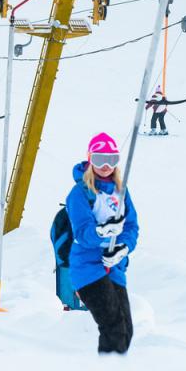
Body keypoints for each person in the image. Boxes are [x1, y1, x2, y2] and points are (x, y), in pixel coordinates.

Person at [65, 132, 139, 354]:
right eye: (99, 159)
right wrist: (103, 231)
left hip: (113, 266)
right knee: (113, 327)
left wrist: (122, 249)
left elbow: (131, 228)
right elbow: (82, 233)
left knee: (126, 330)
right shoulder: (80, 193)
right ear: (90, 159)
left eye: (111, 159)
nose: (106, 165)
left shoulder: (121, 191)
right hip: (88, 268)